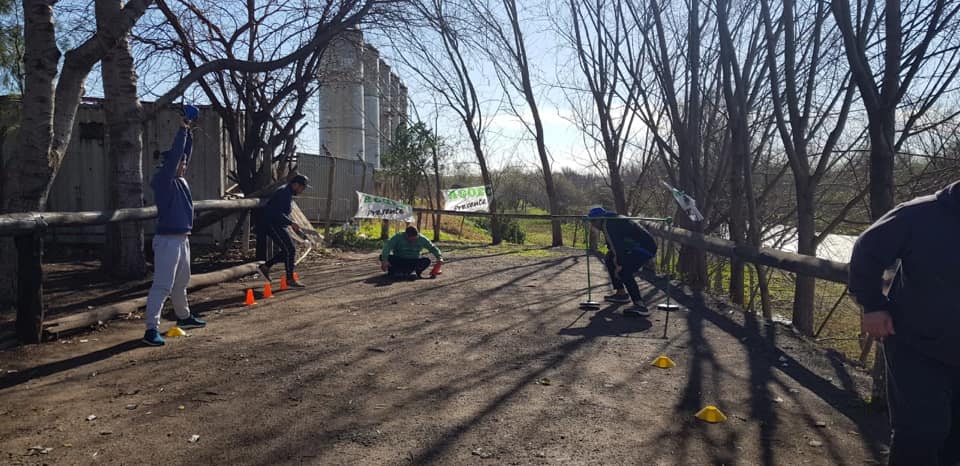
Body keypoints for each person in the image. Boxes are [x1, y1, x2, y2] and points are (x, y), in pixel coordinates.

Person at [848, 180, 960, 466]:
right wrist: (873, 306)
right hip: (917, 345)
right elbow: (866, 251)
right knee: (922, 433)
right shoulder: (920, 214)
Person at [143, 105, 207, 346]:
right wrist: (182, 130)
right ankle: (151, 329)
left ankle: (184, 317)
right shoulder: (164, 180)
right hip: (168, 240)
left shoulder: (179, 179)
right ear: (171, 164)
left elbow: (185, 152)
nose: (184, 164)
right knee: (162, 285)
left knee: (181, 282)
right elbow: (179, 153)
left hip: (182, 239)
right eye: (180, 162)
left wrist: (189, 131)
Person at [587, 207, 657, 317]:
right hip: (634, 245)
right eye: (591, 221)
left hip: (644, 248)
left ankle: (640, 305)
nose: (592, 224)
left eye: (593, 221)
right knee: (610, 258)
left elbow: (617, 247)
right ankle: (621, 294)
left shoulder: (609, 225)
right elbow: (613, 247)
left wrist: (619, 265)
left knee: (624, 271)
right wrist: (615, 260)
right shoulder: (610, 220)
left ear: (599, 219)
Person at [257, 174, 310, 287]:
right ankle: (289, 279)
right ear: (295, 184)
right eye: (302, 188)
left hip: (278, 224)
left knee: (288, 250)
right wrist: (291, 223)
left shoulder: (288, 193)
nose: (302, 191)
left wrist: (290, 223)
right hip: (272, 223)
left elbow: (283, 212)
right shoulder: (283, 193)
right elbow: (276, 213)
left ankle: (266, 267)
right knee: (290, 249)